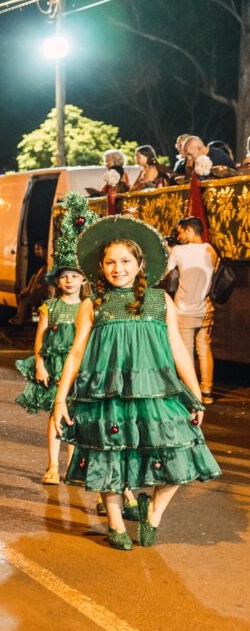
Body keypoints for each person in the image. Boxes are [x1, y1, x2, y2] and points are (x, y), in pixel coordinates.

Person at [53, 216, 221, 550]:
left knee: (180, 453)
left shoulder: (161, 301)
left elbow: (179, 352)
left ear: (139, 264)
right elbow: (74, 355)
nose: (118, 268)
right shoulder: (92, 304)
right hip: (105, 393)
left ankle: (153, 513)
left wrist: (195, 396)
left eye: (125, 261)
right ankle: (115, 526)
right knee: (107, 458)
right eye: (110, 262)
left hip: (157, 391)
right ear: (101, 267)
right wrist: (60, 400)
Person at [15, 195, 90, 485]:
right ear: (56, 281)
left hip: (81, 367)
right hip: (57, 366)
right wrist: (40, 362)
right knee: (55, 415)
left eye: (74, 276)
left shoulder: (89, 306)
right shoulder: (51, 306)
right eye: (64, 277)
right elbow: (41, 337)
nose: (69, 281)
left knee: (76, 416)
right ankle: (52, 465)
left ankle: (72, 464)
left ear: (83, 280)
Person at [166, 216, 218, 404]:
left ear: (189, 230)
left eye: (180, 232)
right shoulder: (210, 250)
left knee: (185, 351)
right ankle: (207, 391)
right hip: (205, 308)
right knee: (204, 349)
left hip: (184, 309)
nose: (178, 237)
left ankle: (190, 392)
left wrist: (168, 251)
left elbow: (164, 272)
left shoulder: (178, 251)